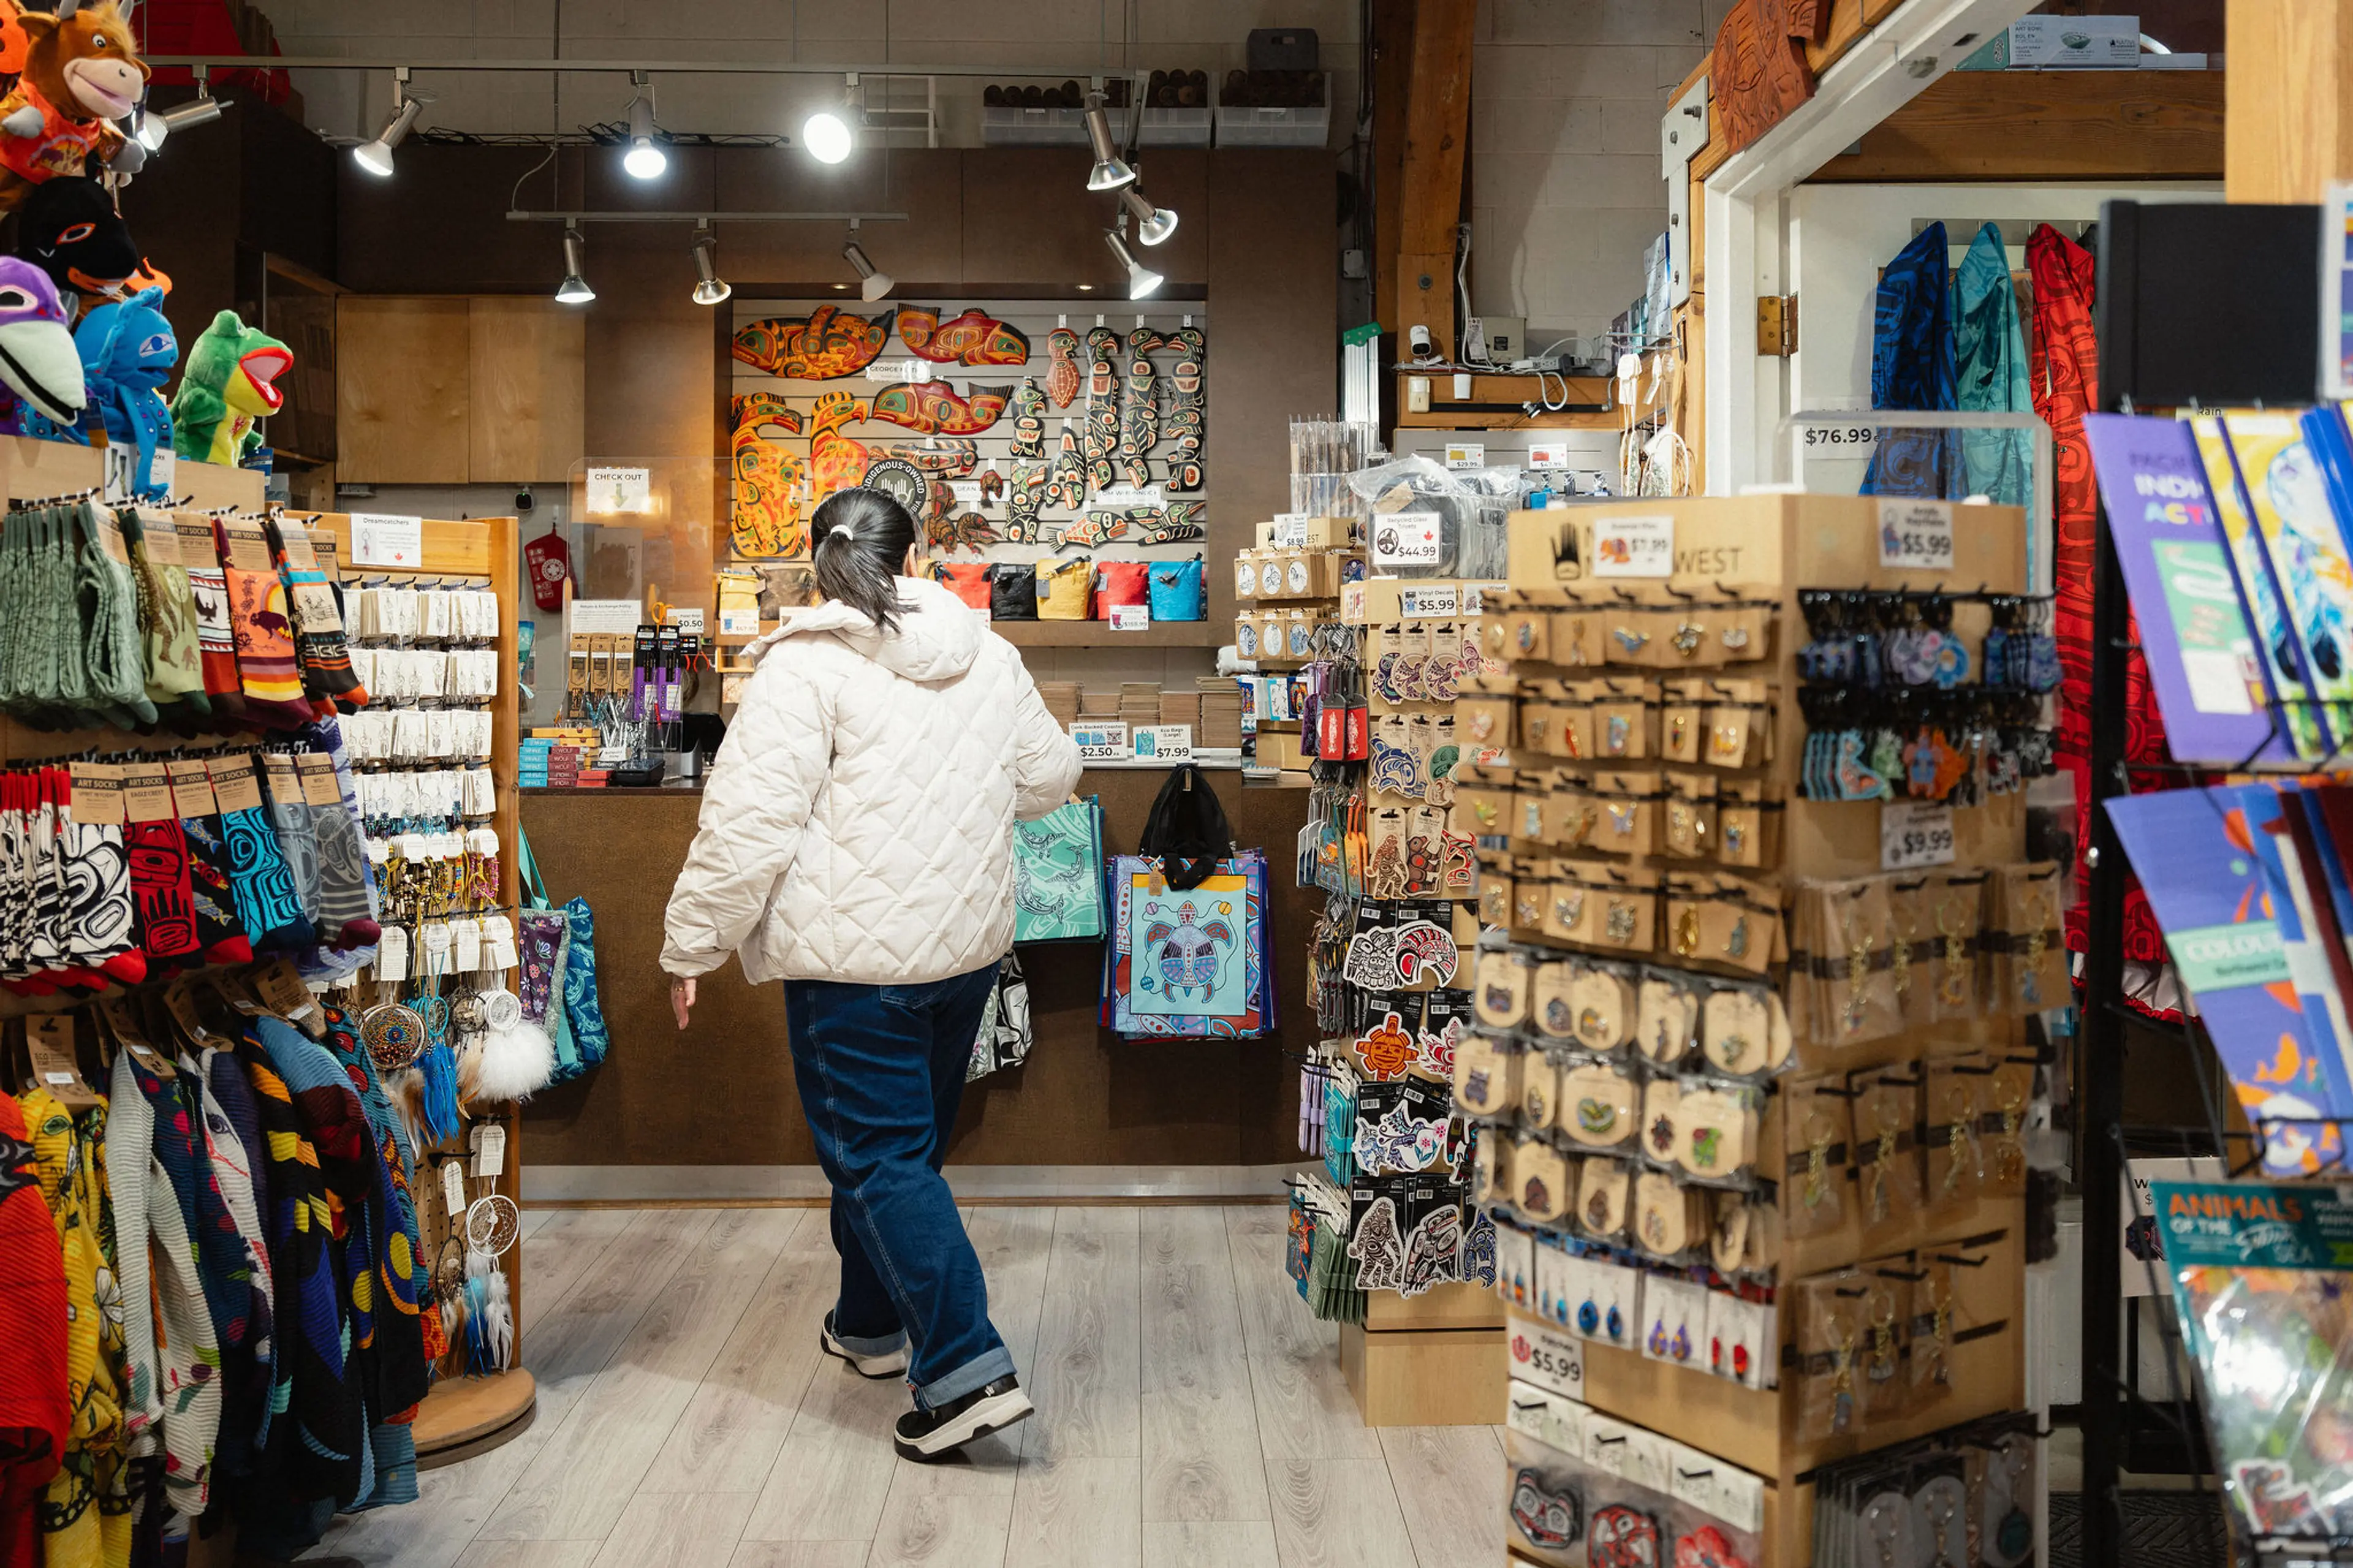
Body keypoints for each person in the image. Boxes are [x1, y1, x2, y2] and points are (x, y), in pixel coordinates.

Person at [661, 487, 1082, 1461]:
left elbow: (747, 826)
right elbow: (1051, 776)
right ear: (918, 553)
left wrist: (692, 943)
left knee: (879, 1158)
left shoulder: (804, 666)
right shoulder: (986, 652)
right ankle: (870, 1324)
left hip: (851, 965)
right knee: (897, 1151)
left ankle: (967, 1371)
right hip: (965, 952)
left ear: (819, 561)